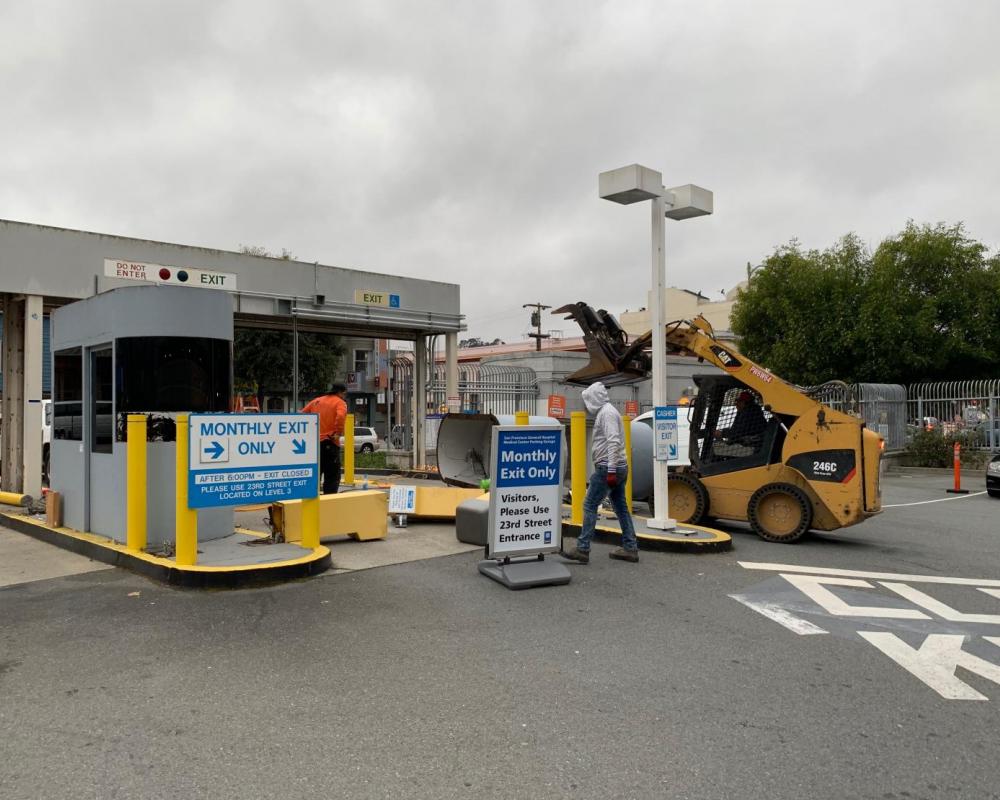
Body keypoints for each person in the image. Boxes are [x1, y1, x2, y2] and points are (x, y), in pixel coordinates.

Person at [562, 381, 639, 564]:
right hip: (618, 467)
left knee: (589, 505)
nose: (586, 404)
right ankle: (630, 547)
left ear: (594, 398)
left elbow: (612, 441)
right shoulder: (609, 411)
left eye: (588, 400)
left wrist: (611, 470)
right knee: (620, 507)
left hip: (608, 468)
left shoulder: (607, 414)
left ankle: (583, 548)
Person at [303, 383, 348, 495]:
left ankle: (312, 500)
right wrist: (338, 433)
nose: (344, 396)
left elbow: (302, 414)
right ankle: (328, 502)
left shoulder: (316, 401)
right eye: (344, 394)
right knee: (332, 476)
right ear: (341, 392)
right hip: (330, 442)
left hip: (314, 444)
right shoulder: (340, 402)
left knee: (315, 474)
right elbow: (341, 416)